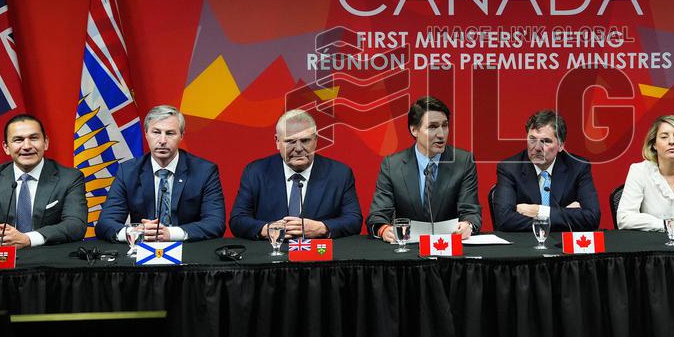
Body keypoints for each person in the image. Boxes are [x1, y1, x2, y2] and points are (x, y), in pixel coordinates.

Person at [96, 105, 225, 242]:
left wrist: (171, 233)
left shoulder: (204, 171)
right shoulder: (128, 171)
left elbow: (215, 223)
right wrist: (135, 232)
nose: (162, 141)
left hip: (187, 250)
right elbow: (105, 224)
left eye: (170, 133)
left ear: (181, 136)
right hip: (142, 249)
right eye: (156, 132)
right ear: (146, 134)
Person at [229, 109, 363, 239]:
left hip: (318, 252)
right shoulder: (255, 172)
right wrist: (267, 230)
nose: (298, 149)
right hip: (270, 251)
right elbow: (237, 220)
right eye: (290, 141)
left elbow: (354, 220)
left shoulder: (339, 174)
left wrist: (321, 228)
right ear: (277, 141)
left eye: (305, 140)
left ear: (316, 140)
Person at [0, 113, 86, 248]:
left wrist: (28, 239)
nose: (27, 146)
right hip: (1, 257)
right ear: (6, 147)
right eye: (18, 140)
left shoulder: (70, 178)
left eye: (34, 138)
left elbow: (76, 225)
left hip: (49, 256)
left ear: (45, 143)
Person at [366, 96, 481, 241]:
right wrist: (384, 230)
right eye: (432, 127)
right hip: (408, 246)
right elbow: (377, 216)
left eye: (444, 125)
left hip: (449, 246)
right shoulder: (392, 165)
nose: (441, 134)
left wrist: (467, 225)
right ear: (414, 130)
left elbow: (471, 212)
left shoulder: (463, 162)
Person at [492, 109, 600, 231]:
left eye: (546, 141)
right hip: (525, 242)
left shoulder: (578, 167)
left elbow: (592, 218)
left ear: (561, 146)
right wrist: (565, 214)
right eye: (532, 139)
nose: (537, 148)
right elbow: (504, 220)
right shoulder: (510, 168)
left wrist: (540, 211)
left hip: (562, 242)